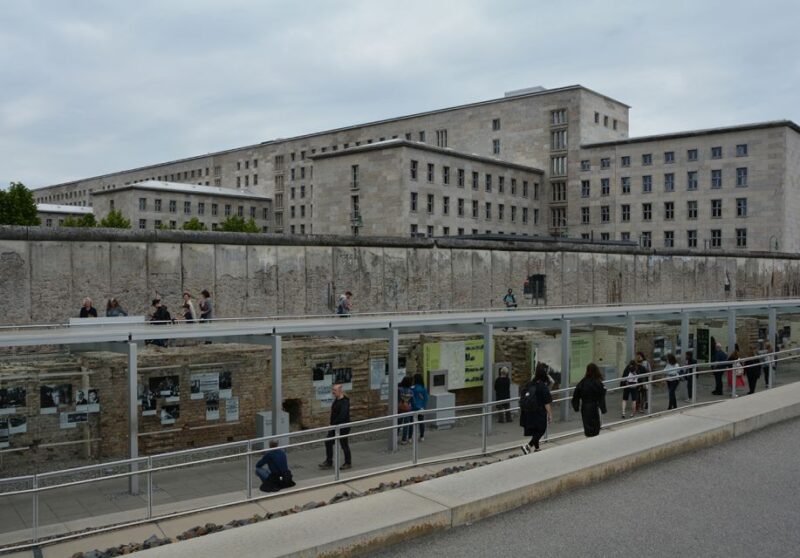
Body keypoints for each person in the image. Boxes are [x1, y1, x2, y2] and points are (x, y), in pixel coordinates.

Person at [519, 363, 553, 454]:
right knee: (541, 429)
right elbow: (547, 403)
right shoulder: (543, 386)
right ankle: (528, 446)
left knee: (535, 430)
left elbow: (523, 394)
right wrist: (550, 415)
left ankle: (537, 448)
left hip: (529, 411)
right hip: (539, 412)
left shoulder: (530, 383)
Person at [319, 384, 352, 470]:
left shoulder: (345, 401)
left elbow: (342, 415)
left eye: (335, 390)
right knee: (328, 441)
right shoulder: (336, 400)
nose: (333, 392)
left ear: (340, 391)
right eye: (333, 390)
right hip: (335, 426)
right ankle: (329, 461)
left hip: (343, 426)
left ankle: (348, 462)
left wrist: (333, 424)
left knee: (344, 444)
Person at [571, 362, 607, 437]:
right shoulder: (597, 382)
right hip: (594, 406)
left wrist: (576, 406)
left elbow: (576, 394)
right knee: (595, 426)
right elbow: (601, 394)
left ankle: (589, 438)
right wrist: (603, 408)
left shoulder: (583, 382)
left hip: (585, 407)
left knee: (587, 426)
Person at [411, 373, 429, 441]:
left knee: (412, 422)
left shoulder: (413, 388)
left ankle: (410, 437)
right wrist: (423, 407)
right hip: (421, 408)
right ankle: (422, 436)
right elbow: (426, 398)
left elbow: (411, 398)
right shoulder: (423, 388)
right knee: (421, 422)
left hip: (414, 407)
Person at [397, 376, 414, 444]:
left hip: (400, 408)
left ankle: (395, 437)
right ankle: (404, 440)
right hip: (408, 409)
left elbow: (397, 399)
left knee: (398, 423)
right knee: (406, 425)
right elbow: (412, 401)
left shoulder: (399, 389)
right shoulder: (411, 391)